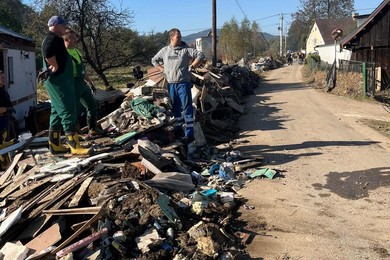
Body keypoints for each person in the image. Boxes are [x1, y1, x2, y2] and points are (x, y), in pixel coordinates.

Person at [42, 15, 91, 155]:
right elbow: (48, 51)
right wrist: (55, 65)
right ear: (55, 25)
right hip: (59, 82)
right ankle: (75, 146)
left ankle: (55, 145)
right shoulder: (52, 38)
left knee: (56, 113)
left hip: (59, 82)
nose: (65, 27)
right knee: (68, 110)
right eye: (63, 25)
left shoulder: (55, 38)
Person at [151, 28, 205, 144]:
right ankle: (178, 130)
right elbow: (154, 60)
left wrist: (193, 66)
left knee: (187, 108)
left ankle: (189, 134)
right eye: (178, 37)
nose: (180, 39)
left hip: (183, 84)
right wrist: (162, 69)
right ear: (172, 38)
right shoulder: (165, 51)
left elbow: (200, 55)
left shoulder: (186, 50)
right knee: (175, 108)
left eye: (180, 37)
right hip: (171, 84)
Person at [63, 29, 103, 137]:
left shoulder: (77, 52)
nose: (76, 39)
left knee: (92, 105)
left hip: (82, 83)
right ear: (66, 39)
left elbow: (83, 70)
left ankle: (93, 129)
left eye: (76, 37)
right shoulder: (64, 53)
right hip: (72, 83)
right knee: (74, 110)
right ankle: (76, 134)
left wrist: (90, 83)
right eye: (73, 38)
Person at [0, 71, 15, 170]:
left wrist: (6, 109)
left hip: (4, 121)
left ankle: (5, 165)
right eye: (1, 78)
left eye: (4, 77)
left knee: (5, 144)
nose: (4, 79)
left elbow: (10, 108)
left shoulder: (3, 92)